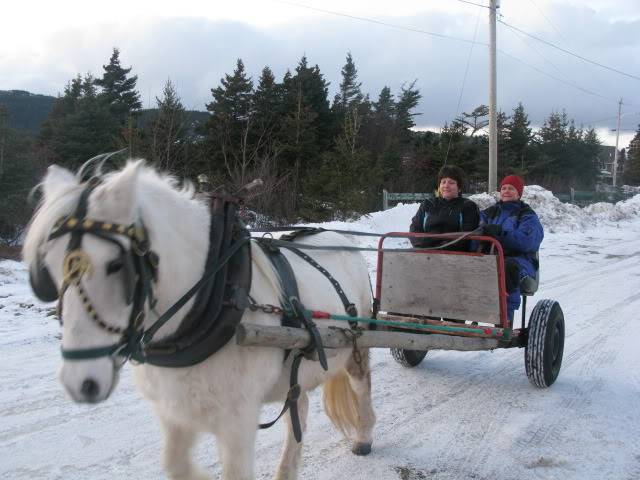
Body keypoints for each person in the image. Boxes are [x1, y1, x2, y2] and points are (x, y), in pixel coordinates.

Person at [479, 175, 544, 322]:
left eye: (511, 188)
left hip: (520, 262)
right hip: (491, 257)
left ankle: (505, 318)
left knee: (506, 266)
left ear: (519, 193)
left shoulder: (527, 215)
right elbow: (477, 227)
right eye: (503, 188)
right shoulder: (490, 212)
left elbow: (527, 241)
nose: (506, 191)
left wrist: (501, 234)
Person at [409, 165, 480, 250]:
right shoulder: (428, 204)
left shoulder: (468, 206)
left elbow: (467, 235)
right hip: (426, 252)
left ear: (459, 188)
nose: (446, 185)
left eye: (451, 182)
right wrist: (425, 244)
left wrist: (442, 246)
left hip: (458, 256)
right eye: (443, 182)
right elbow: (414, 229)